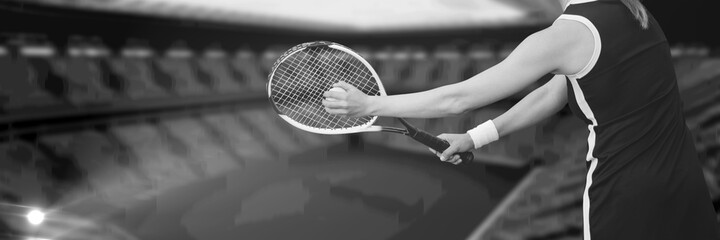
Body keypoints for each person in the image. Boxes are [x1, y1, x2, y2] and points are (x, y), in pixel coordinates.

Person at [322, 0, 720, 239]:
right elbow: (556, 91)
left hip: (625, 195)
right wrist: (476, 138)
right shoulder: (637, 14)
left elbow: (458, 97)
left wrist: (370, 105)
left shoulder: (565, 35)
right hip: (683, 184)